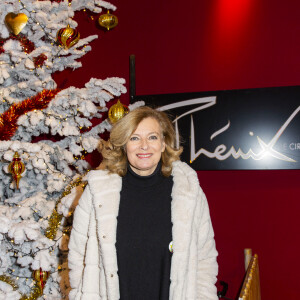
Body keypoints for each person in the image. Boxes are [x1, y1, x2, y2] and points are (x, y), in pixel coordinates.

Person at [68, 106, 218, 300]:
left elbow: (204, 260)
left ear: (164, 143)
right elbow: (78, 258)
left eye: (153, 137)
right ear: (123, 144)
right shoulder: (98, 192)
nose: (144, 146)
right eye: (135, 138)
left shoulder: (189, 191)